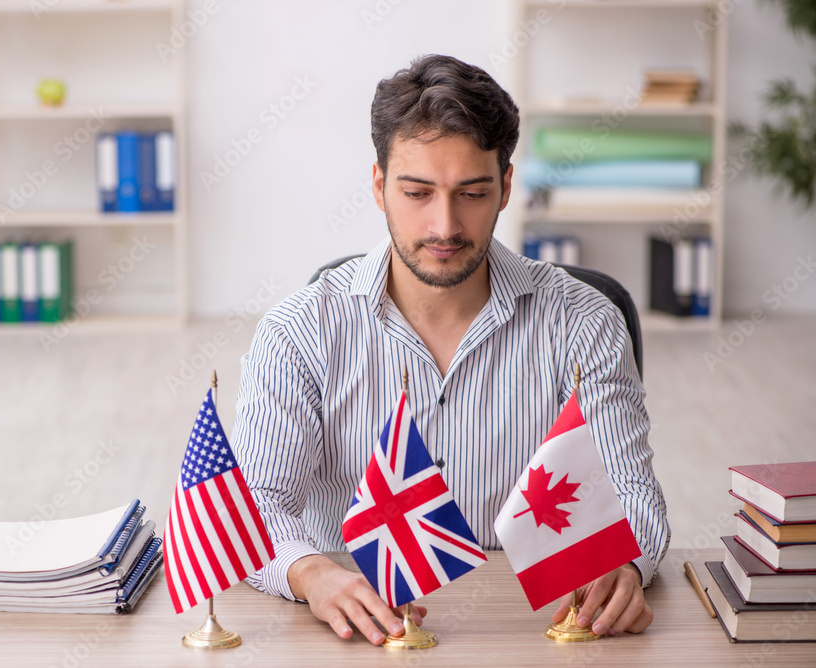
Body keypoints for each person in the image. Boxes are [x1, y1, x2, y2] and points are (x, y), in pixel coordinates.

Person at [230, 54, 669, 646]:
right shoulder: (298, 331)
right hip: (361, 630)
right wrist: (310, 573)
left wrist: (626, 563)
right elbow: (256, 507)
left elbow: (634, 497)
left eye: (472, 192)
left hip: (528, 632)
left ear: (506, 188)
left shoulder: (584, 322)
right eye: (417, 192)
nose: (444, 226)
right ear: (381, 187)